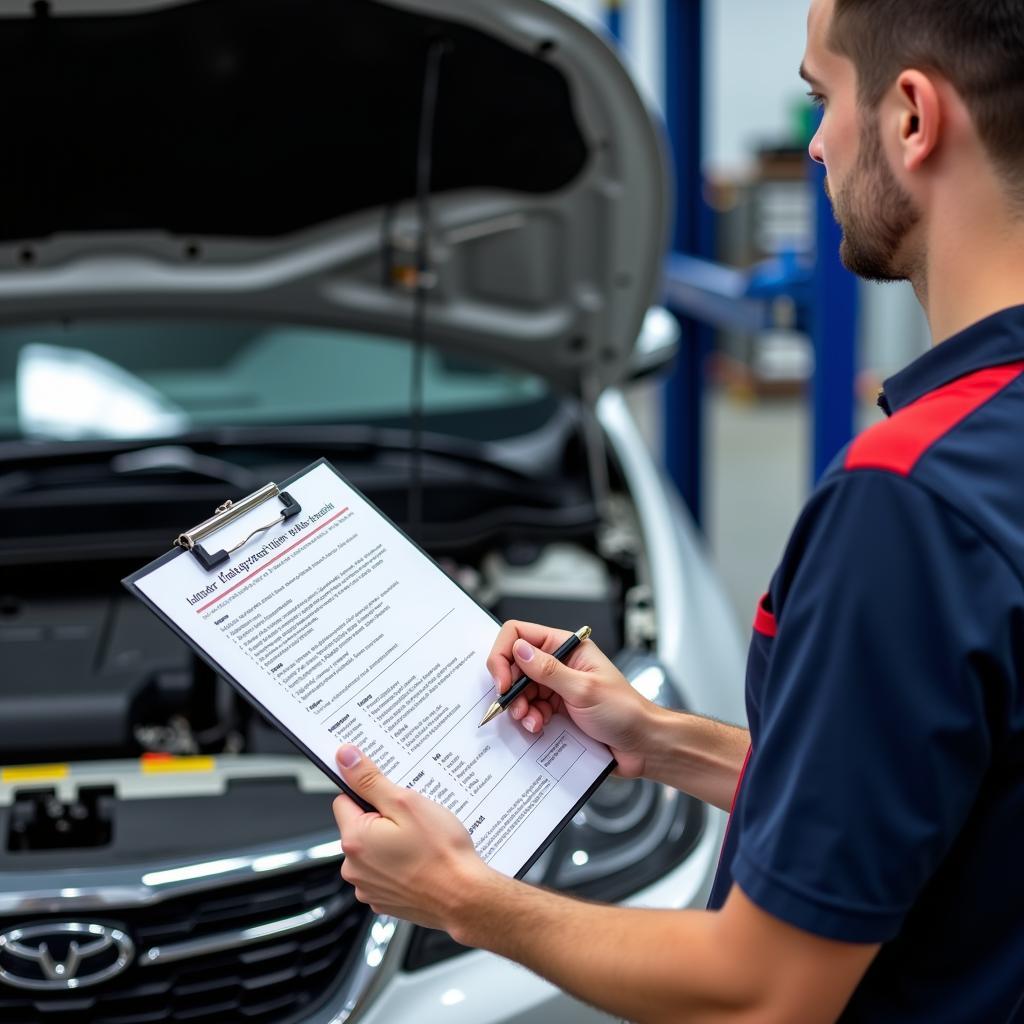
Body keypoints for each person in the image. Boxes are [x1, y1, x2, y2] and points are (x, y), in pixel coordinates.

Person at [331, 0, 1024, 1019]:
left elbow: (764, 991)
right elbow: (931, 794)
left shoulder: (907, 503)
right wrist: (658, 740)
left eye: (819, 98)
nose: (819, 147)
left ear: (913, 119)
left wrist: (466, 898)